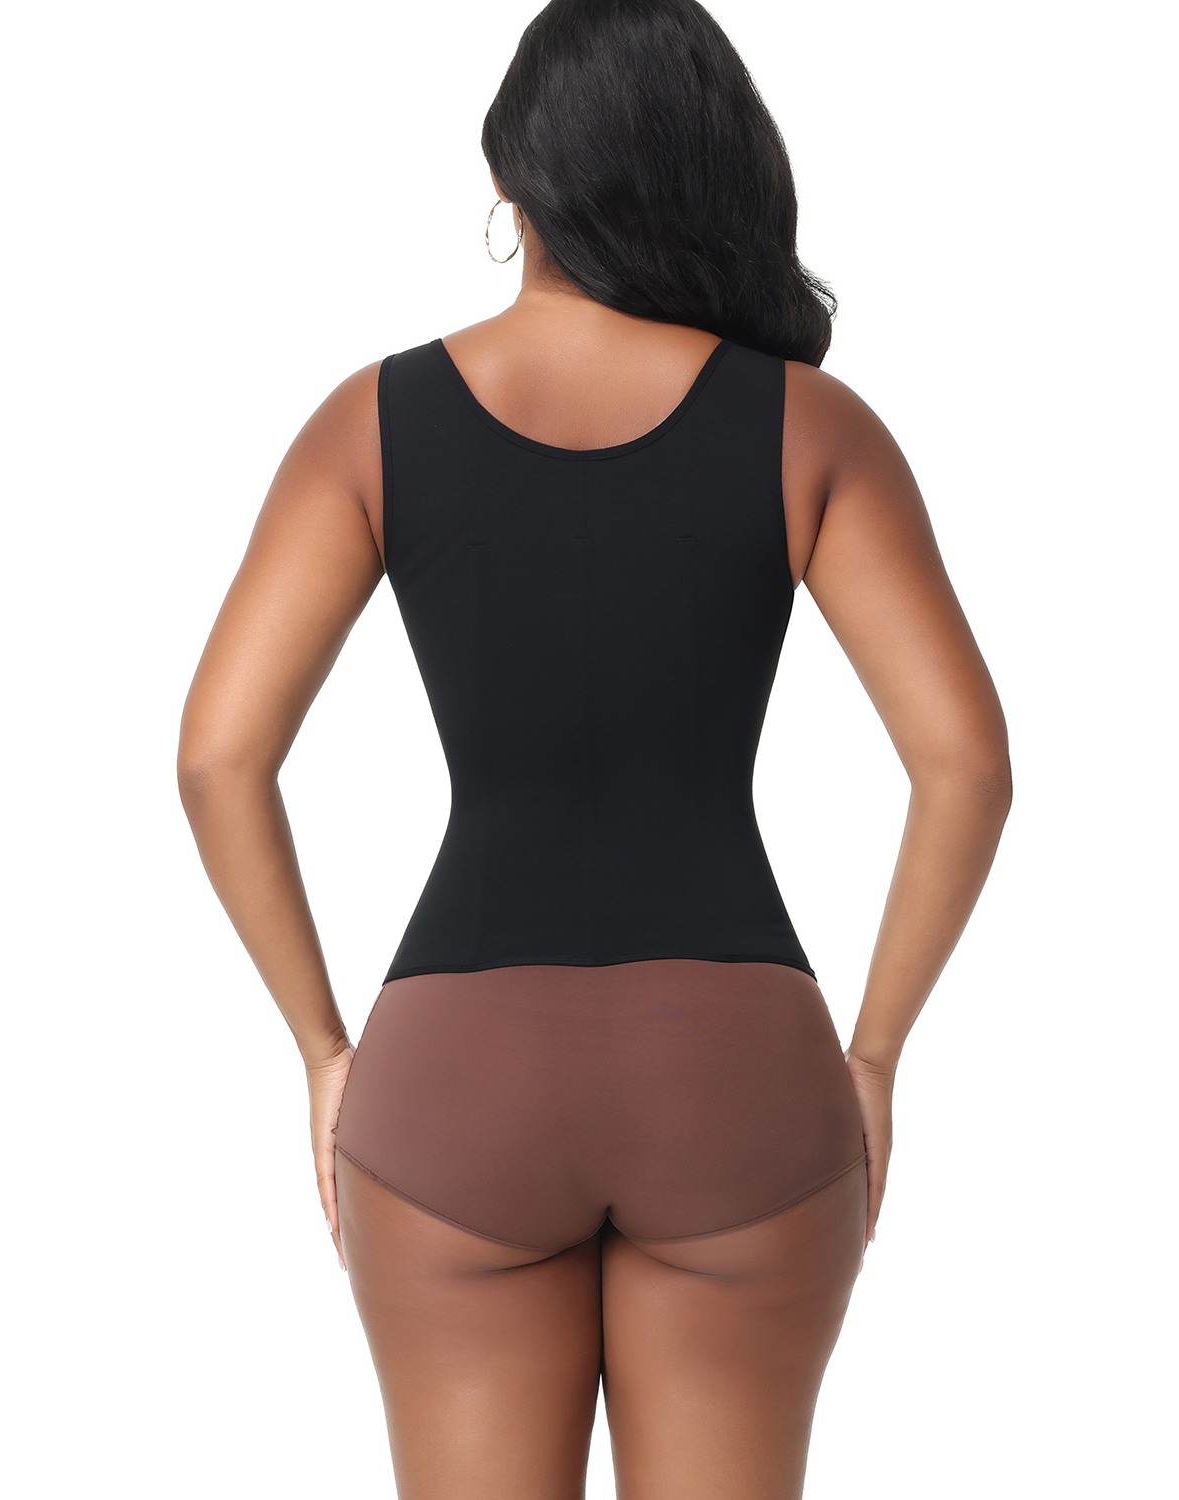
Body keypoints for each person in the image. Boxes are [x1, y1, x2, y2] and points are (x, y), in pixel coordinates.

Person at [178, 2, 1012, 1495]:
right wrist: (876, 1055)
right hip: (739, 1079)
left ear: (512, 177)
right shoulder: (812, 428)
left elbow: (216, 756)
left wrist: (322, 1048)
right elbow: (967, 764)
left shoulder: (370, 423)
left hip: (455, 1085)